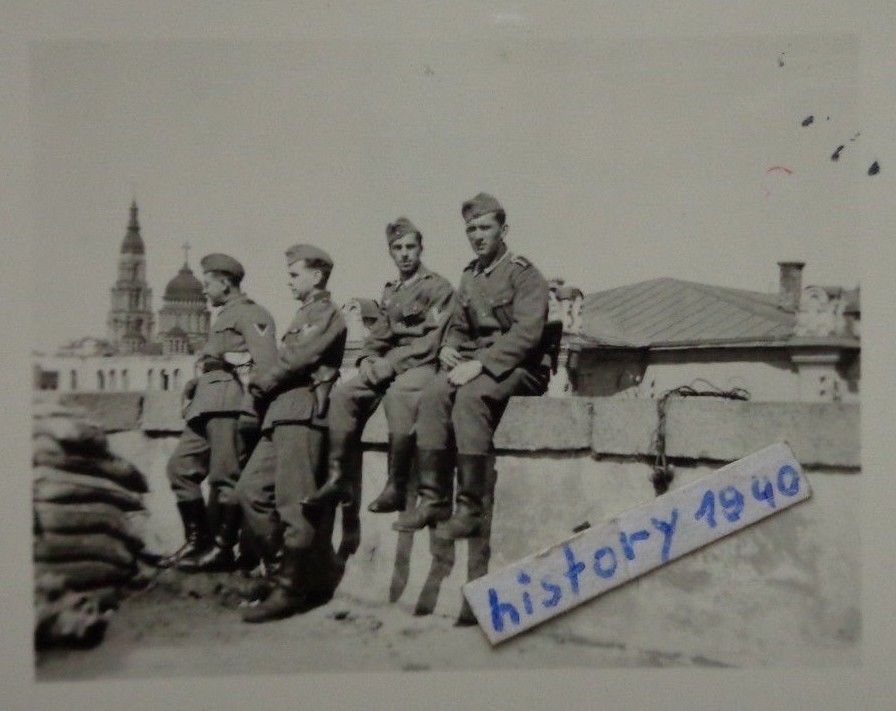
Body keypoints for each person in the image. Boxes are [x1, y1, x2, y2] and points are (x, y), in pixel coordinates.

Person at [393, 193, 555, 539]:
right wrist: (449, 347)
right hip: (479, 364)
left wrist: (480, 364)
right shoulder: (470, 276)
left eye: (485, 228)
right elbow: (459, 324)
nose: (477, 236)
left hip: (523, 366)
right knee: (434, 393)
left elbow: (527, 334)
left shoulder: (524, 274)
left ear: (503, 230)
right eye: (471, 230)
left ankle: (470, 508)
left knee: (470, 397)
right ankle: (433, 499)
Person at [302, 217, 454, 555]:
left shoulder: (438, 287)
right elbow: (380, 334)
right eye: (398, 248)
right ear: (390, 252)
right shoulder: (391, 291)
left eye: (410, 247)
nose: (405, 254)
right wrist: (367, 359)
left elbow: (432, 342)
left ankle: (395, 484)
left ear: (421, 249)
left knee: (399, 396)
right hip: (388, 365)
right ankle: (338, 480)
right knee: (343, 395)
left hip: (421, 365)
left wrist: (390, 364)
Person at [235, 244, 348, 623]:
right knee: (250, 491)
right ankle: (283, 571)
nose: (289, 281)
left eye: (294, 274)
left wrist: (259, 382)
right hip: (279, 415)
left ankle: (291, 589)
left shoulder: (326, 313)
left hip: (302, 414)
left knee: (294, 506)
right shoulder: (303, 313)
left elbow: (297, 358)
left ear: (316, 276)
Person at [159, 254, 277, 571]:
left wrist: (251, 407)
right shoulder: (224, 315)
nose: (204, 290)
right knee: (180, 469)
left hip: (229, 406)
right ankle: (197, 542)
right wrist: (194, 386)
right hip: (205, 405)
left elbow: (265, 363)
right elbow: (217, 364)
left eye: (208, 283)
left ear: (225, 283)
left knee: (226, 479)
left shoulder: (252, 314)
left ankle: (223, 550)